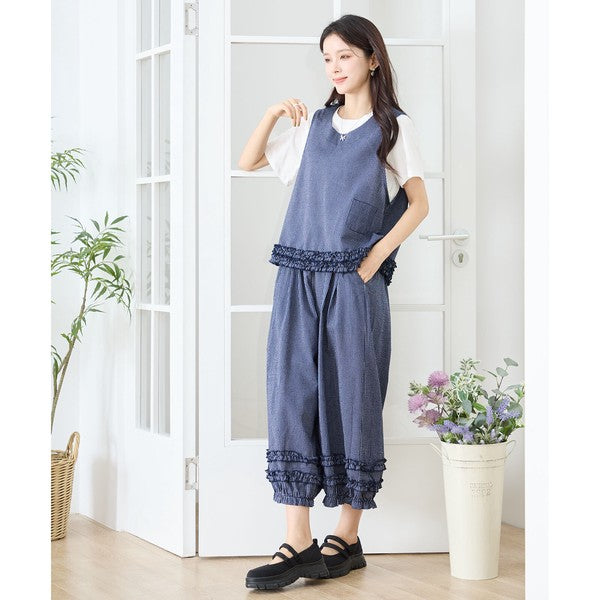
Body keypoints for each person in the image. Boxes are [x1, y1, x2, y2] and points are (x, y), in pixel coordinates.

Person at [238, 14, 429, 590]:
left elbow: (419, 203)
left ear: (372, 58)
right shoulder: (314, 125)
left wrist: (375, 258)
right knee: (292, 393)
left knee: (352, 397)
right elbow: (249, 162)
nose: (335, 67)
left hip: (352, 283)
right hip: (297, 277)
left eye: (345, 55)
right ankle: (297, 540)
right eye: (327, 58)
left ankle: (345, 536)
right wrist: (272, 114)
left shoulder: (393, 128)